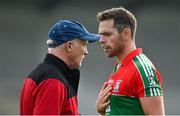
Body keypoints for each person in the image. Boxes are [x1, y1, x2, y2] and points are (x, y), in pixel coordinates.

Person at [20, 20, 100, 115]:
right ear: (69, 46)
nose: (86, 52)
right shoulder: (53, 81)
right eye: (84, 45)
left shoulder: (45, 74)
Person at [95, 7, 165, 115]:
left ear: (126, 34)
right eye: (100, 35)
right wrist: (103, 112)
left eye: (107, 34)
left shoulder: (142, 69)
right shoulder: (119, 66)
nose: (101, 40)